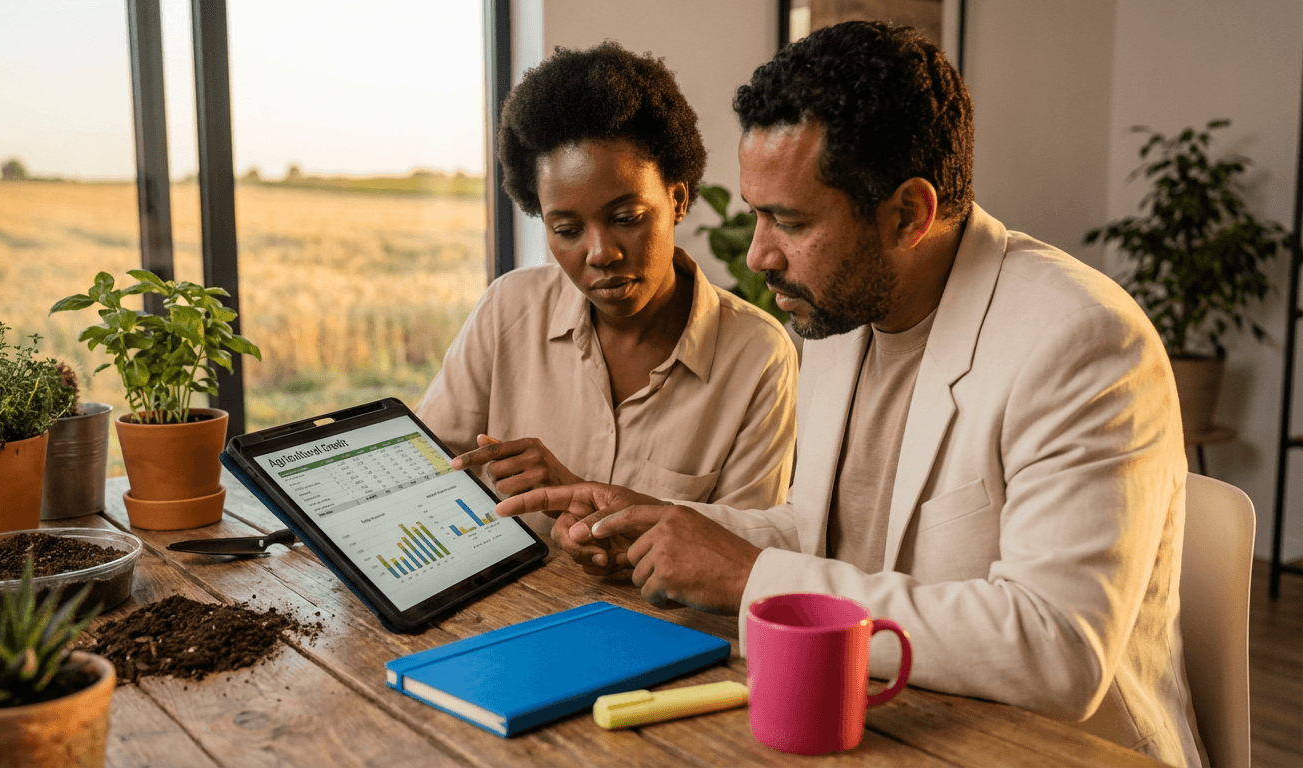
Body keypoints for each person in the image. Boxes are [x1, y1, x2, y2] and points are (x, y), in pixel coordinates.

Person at [497, 22, 1200, 768]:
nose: (759, 253)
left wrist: (744, 575)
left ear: (908, 214)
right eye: (758, 212)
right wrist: (661, 526)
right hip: (883, 724)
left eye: (789, 221)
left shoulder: (1080, 341)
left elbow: (1057, 651)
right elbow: (821, 536)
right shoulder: (838, 316)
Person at [416, 41, 797, 536]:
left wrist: (583, 503)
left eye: (627, 218)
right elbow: (426, 471)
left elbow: (740, 554)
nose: (600, 253)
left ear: (677, 200)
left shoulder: (757, 356)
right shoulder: (508, 309)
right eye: (567, 230)